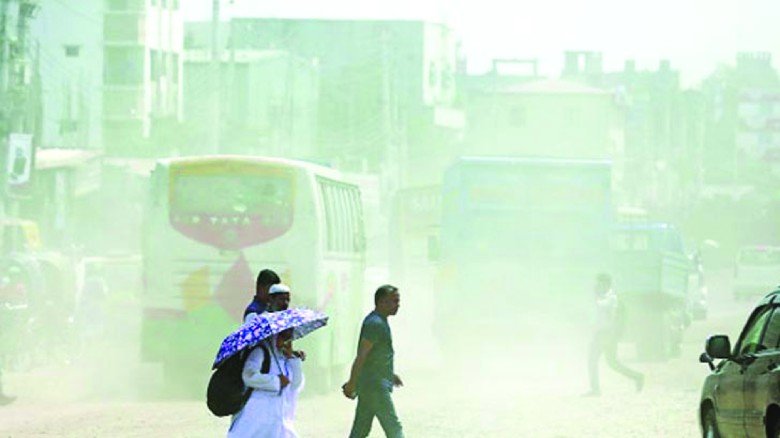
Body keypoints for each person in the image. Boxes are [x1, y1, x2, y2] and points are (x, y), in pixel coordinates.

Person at [342, 284, 404, 438]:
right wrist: (351, 383)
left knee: (360, 429)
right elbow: (362, 356)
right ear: (381, 302)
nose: (398, 305)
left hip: (370, 384)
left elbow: (375, 357)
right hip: (375, 386)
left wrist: (390, 374)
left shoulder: (379, 321)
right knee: (393, 427)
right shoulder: (375, 324)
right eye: (394, 301)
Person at [227, 328, 305, 438]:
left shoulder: (283, 357)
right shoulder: (260, 351)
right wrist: (276, 381)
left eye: (289, 338)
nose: (286, 342)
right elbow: (248, 375)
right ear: (274, 335)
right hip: (256, 416)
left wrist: (293, 359)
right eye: (283, 336)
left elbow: (294, 385)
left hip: (277, 419)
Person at [585, 273, 644, 397]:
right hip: (602, 334)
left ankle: (596, 390)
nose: (597, 285)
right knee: (611, 363)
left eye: (600, 283)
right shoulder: (604, 296)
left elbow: (603, 306)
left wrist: (595, 296)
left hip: (607, 334)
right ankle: (637, 377)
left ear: (606, 284)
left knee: (598, 361)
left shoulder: (611, 297)